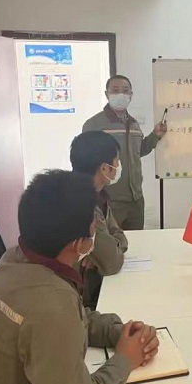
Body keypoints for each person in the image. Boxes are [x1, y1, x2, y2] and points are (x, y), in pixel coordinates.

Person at [0, 170, 159, 384]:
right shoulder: (51, 304)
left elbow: (68, 319)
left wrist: (114, 332)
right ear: (78, 245)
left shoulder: (15, 260)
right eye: (93, 232)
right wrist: (124, 359)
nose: (94, 240)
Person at [82, 74, 167, 230]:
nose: (121, 94)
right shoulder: (94, 124)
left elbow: (138, 151)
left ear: (131, 95)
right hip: (109, 199)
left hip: (135, 200)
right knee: (110, 241)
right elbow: (85, 161)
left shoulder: (133, 123)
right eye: (115, 90)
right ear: (107, 94)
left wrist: (155, 135)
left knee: (136, 241)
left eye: (125, 90)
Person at [70, 131, 128, 309]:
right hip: (78, 298)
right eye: (116, 161)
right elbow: (112, 262)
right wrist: (106, 250)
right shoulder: (81, 203)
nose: (118, 165)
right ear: (104, 168)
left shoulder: (99, 196)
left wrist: (100, 251)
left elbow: (119, 236)